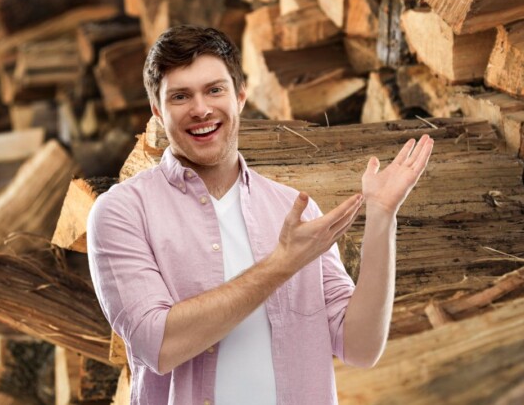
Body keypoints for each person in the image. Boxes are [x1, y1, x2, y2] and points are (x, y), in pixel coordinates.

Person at [87, 25, 434, 405]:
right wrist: (282, 264)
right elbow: (158, 344)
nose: (200, 109)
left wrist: (383, 216)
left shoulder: (294, 210)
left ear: (240, 96)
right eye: (180, 96)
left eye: (214, 90)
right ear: (158, 111)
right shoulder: (121, 212)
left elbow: (361, 347)